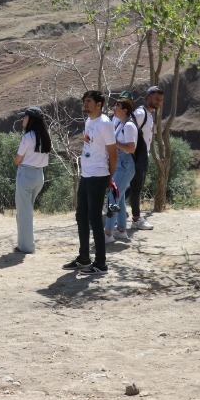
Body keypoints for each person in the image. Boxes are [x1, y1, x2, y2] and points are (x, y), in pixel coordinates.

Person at [62, 90, 117, 275]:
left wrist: (110, 177)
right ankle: (84, 258)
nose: (85, 104)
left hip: (99, 175)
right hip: (86, 175)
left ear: (99, 104)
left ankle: (101, 263)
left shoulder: (105, 124)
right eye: (84, 101)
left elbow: (113, 153)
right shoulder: (89, 121)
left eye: (89, 101)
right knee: (81, 216)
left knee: (94, 218)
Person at [13, 106, 51, 254]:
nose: (23, 119)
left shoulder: (27, 137)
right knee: (26, 211)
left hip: (26, 174)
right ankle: (22, 244)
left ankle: (27, 246)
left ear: (31, 119)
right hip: (39, 175)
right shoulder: (45, 136)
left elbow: (17, 160)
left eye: (25, 117)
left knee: (24, 213)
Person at [130, 86, 164, 230]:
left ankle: (111, 206)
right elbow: (127, 127)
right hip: (135, 156)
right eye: (156, 98)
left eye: (160, 100)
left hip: (142, 156)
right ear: (147, 98)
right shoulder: (140, 113)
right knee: (136, 188)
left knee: (133, 187)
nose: (158, 102)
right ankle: (136, 219)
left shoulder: (149, 115)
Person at [104, 98, 137, 243]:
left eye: (117, 106)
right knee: (120, 197)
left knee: (113, 196)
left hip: (125, 166)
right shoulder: (119, 123)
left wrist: (114, 143)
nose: (114, 108)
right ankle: (121, 230)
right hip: (120, 165)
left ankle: (107, 233)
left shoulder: (129, 126)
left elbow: (131, 148)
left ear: (125, 110)